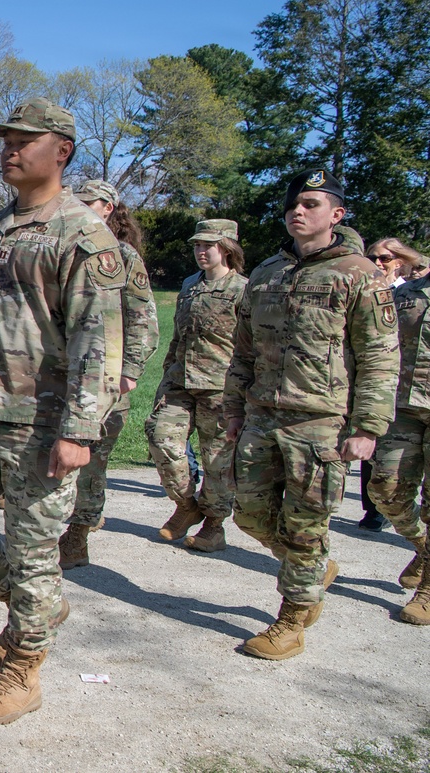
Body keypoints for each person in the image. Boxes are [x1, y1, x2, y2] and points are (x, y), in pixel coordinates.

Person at [0, 97, 124, 724]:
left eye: (24, 140)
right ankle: (34, 605)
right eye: (5, 140)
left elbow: (100, 338)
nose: (10, 150)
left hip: (43, 423)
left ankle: (25, 666)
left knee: (37, 550)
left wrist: (80, 430)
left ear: (61, 151)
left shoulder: (83, 235)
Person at [223, 169, 399, 660]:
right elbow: (242, 352)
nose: (297, 212)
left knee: (306, 525)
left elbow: (381, 356)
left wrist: (366, 428)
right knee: (251, 515)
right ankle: (313, 567)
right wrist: (234, 409)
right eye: (293, 205)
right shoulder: (264, 274)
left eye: (311, 204)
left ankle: (293, 618)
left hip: (320, 422)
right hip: (261, 414)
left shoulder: (358, 273)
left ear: (336, 215)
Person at [58, 180, 158, 569]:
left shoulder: (123, 254)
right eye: (76, 202)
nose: (82, 208)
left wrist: (130, 370)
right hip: (64, 372)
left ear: (110, 208)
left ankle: (78, 535)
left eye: (91, 203)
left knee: (92, 459)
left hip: (107, 376)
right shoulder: (68, 247)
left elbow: (144, 317)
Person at [145, 220, 246, 553]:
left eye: (208, 245)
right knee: (161, 437)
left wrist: (243, 394)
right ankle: (186, 503)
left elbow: (251, 346)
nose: (201, 252)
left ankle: (214, 525)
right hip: (180, 382)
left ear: (227, 247)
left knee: (217, 461)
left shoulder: (243, 290)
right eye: (197, 246)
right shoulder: (190, 284)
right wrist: (165, 379)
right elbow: (177, 336)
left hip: (220, 388)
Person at [366, 239, 430, 623]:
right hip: (404, 405)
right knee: (384, 488)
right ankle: (423, 546)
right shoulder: (404, 294)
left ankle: (427, 591)